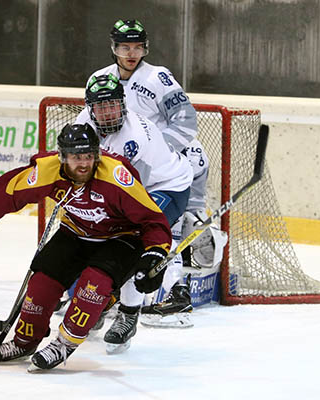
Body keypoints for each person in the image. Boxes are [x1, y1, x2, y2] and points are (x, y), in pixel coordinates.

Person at [0, 123, 172, 371]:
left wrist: (155, 252)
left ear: (97, 155)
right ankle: (24, 340)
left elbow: (153, 220)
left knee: (93, 285)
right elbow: (12, 190)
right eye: (75, 157)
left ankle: (64, 343)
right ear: (62, 157)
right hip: (75, 233)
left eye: (88, 157)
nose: (83, 164)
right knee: (41, 284)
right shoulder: (48, 171)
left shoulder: (116, 178)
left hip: (121, 238)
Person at [84, 19, 228, 330]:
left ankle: (177, 289)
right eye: (125, 47)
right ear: (114, 48)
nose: (131, 53)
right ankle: (102, 289)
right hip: (131, 167)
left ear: (145, 48)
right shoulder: (100, 79)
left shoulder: (158, 77)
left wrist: (161, 153)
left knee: (160, 226)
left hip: (169, 165)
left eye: (137, 47)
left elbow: (186, 122)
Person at [75, 73, 194, 351]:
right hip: (128, 187)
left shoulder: (134, 138)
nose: (107, 113)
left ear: (123, 104)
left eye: (113, 105)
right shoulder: (83, 124)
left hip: (167, 186)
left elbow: (131, 199)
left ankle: (128, 316)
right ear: (90, 108)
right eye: (100, 107)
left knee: (132, 240)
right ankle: (107, 299)